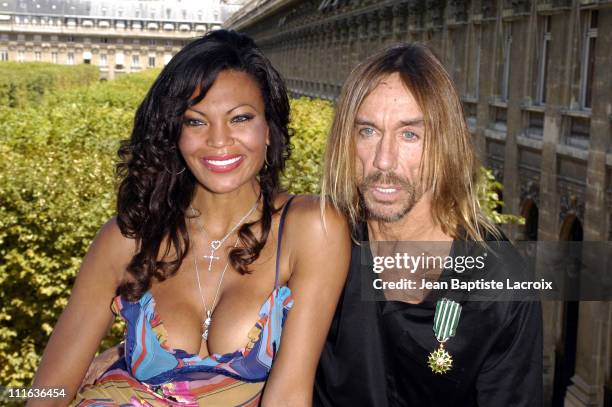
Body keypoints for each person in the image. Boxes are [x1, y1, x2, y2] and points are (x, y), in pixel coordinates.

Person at [29, 30, 350, 407]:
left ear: (269, 129)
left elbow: (290, 393)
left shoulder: (312, 226)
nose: (219, 141)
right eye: (196, 122)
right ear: (174, 133)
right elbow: (44, 394)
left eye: (240, 118)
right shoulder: (125, 240)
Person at [315, 44, 543, 406]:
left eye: (410, 135)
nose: (384, 160)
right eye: (368, 131)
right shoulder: (320, 245)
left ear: (445, 145)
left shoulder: (501, 283)